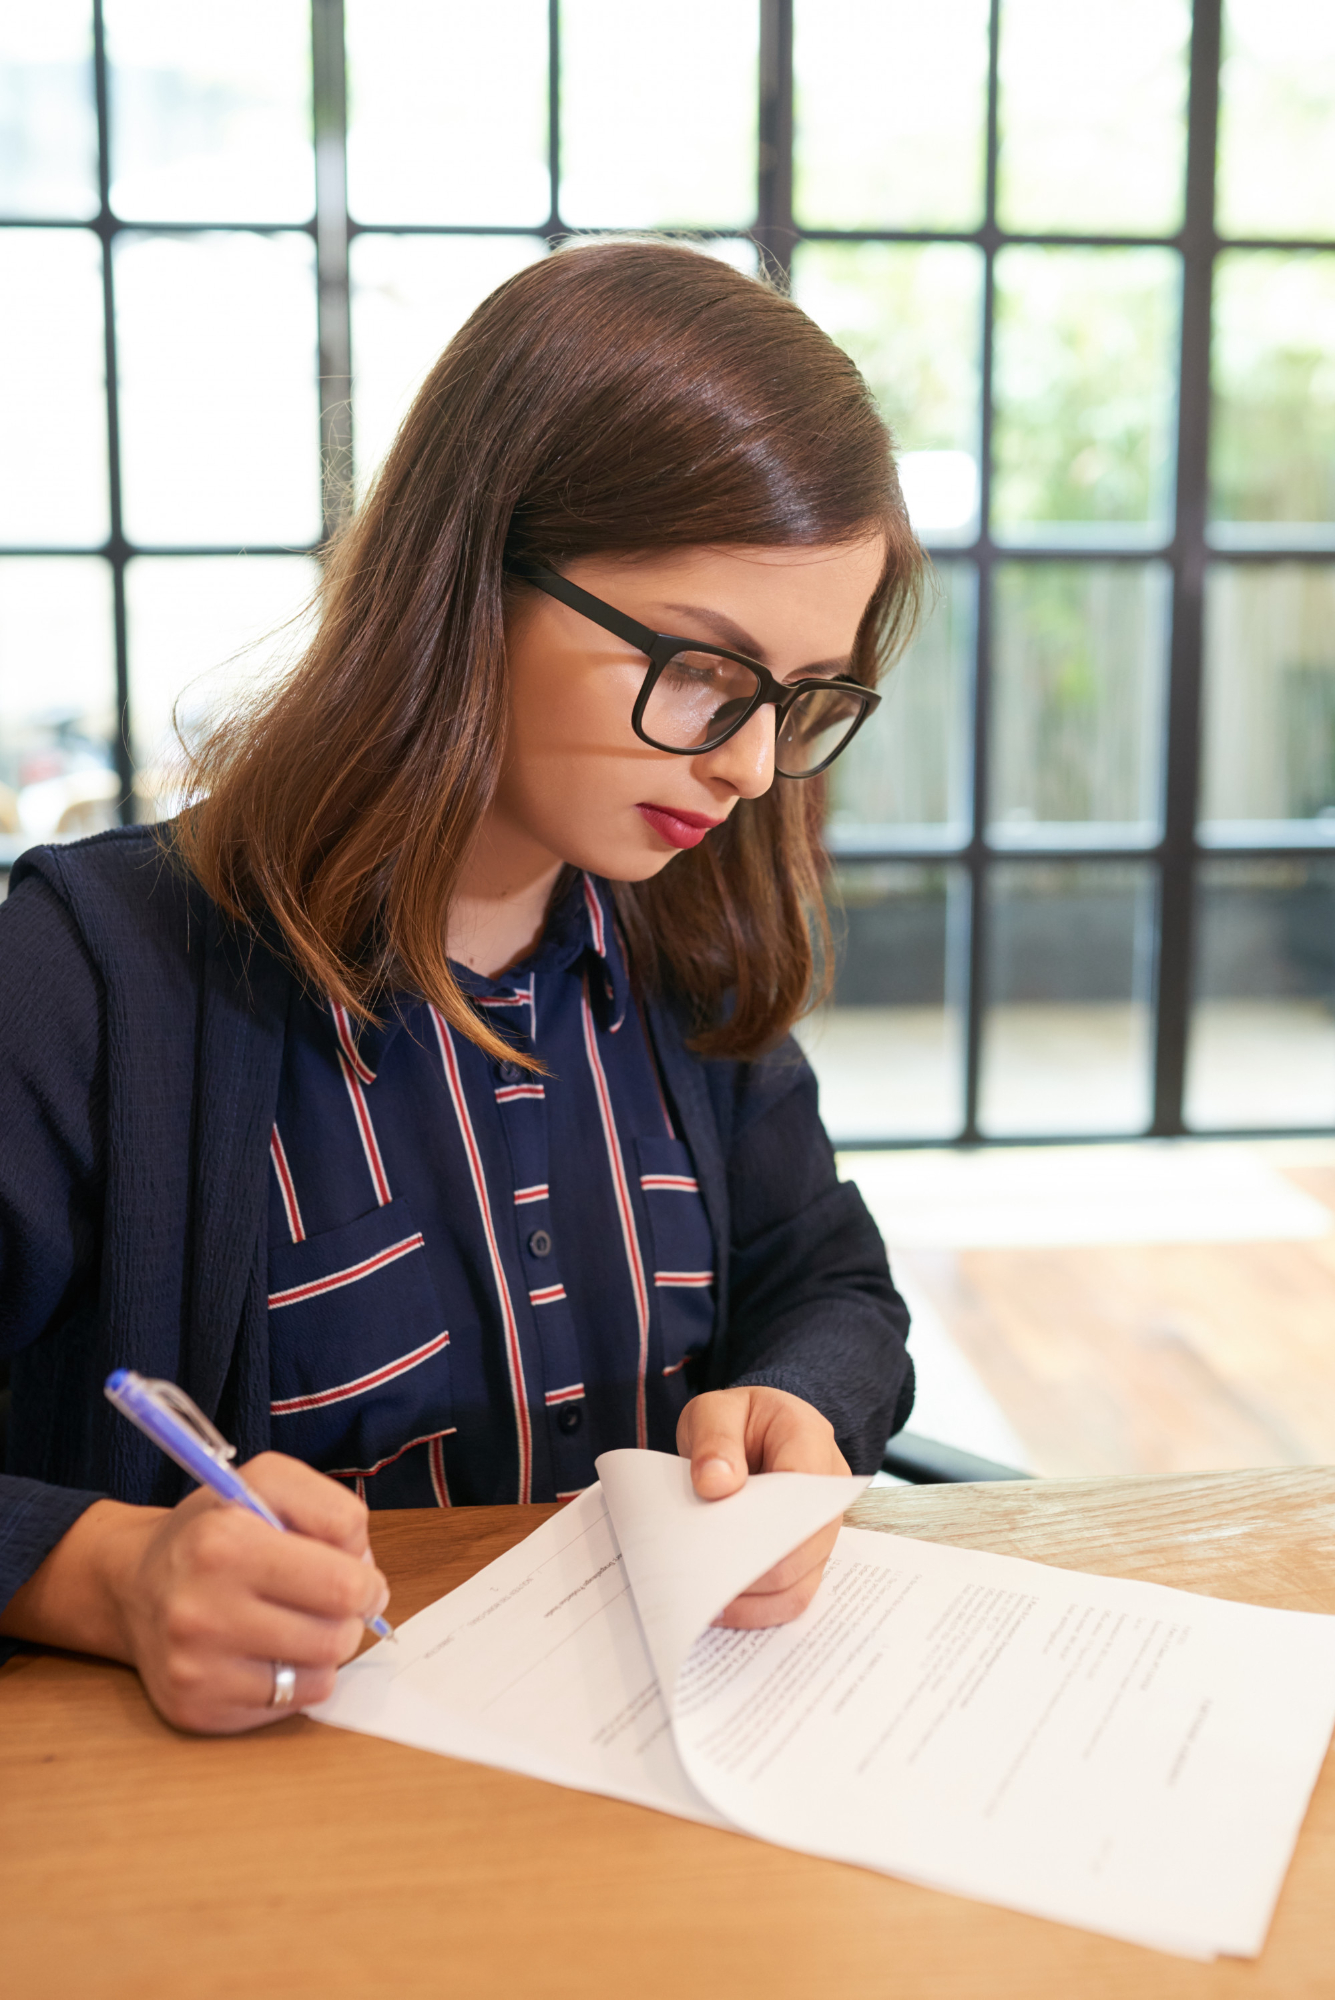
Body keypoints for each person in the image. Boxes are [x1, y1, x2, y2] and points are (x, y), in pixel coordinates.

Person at [0, 239, 921, 1735]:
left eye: (802, 701)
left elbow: (829, 1280)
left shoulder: (681, 946)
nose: (752, 766)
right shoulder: (94, 982)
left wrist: (802, 1404)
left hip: (666, 1796)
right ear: (470, 581)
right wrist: (109, 1573)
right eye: (701, 671)